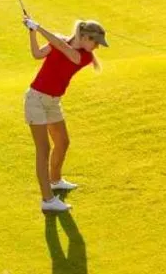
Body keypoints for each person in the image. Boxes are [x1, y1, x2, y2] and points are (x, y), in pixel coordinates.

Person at [23, 16, 108, 212]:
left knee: (62, 142)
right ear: (85, 37)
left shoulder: (84, 57)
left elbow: (63, 48)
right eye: (96, 43)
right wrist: (32, 32)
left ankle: (55, 180)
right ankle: (48, 200)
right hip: (36, 100)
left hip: (53, 102)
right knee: (43, 150)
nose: (97, 48)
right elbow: (37, 54)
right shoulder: (59, 41)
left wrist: (39, 26)